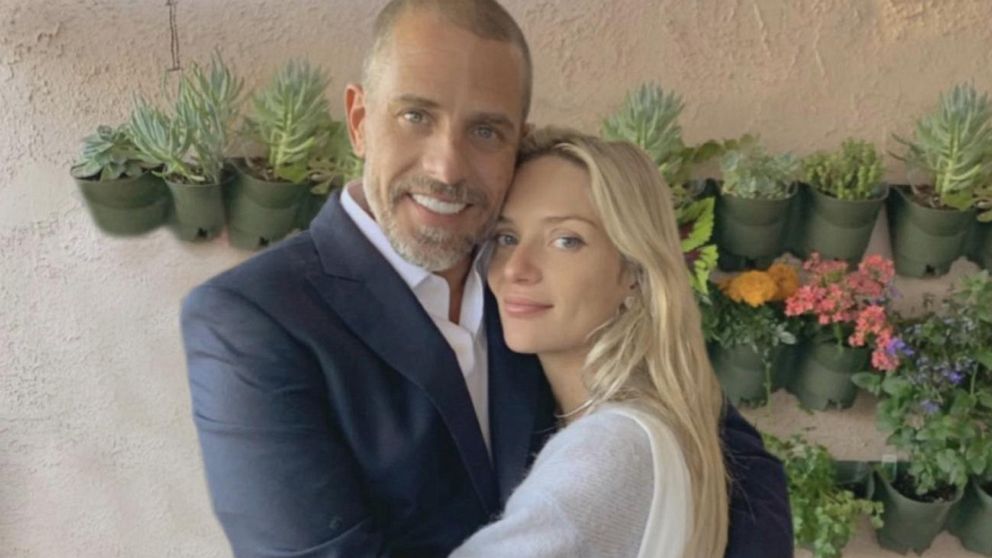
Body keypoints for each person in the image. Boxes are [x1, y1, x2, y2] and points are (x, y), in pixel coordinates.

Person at [180, 1, 792, 557]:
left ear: (516, 144)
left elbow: (737, 466)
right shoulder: (253, 318)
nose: (446, 167)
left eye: (484, 131)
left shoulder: (529, 286)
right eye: (416, 115)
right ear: (360, 121)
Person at [452, 127, 729, 557]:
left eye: (566, 240)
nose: (515, 269)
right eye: (507, 238)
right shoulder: (646, 426)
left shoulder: (609, 449)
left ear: (634, 272)